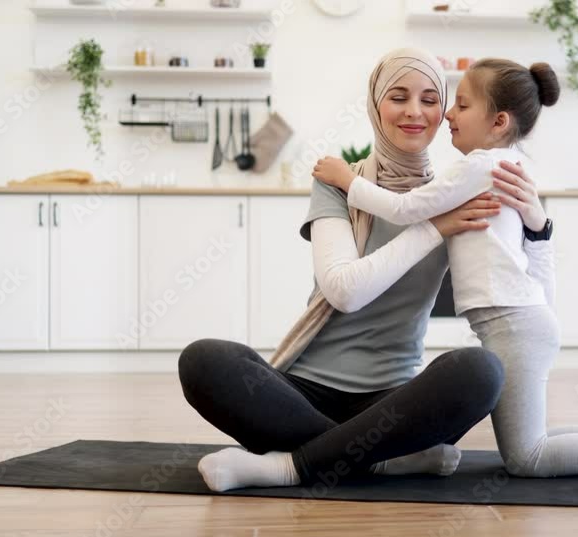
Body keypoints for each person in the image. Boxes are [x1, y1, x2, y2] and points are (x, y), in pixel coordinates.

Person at [312, 58, 578, 477]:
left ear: (498, 122)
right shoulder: (499, 167)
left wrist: (347, 181)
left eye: (459, 104)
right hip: (521, 321)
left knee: (527, 459)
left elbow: (404, 208)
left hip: (513, 325)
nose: (448, 116)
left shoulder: (476, 166)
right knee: (532, 442)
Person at [177, 48, 551, 492]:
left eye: (432, 99)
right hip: (303, 393)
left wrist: (538, 227)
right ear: (375, 105)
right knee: (204, 361)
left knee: (481, 371)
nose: (415, 111)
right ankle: (381, 461)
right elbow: (344, 291)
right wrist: (433, 229)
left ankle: (293, 464)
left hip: (393, 405)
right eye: (399, 96)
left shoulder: (457, 190)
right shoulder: (340, 182)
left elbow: (525, 292)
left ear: (443, 113)